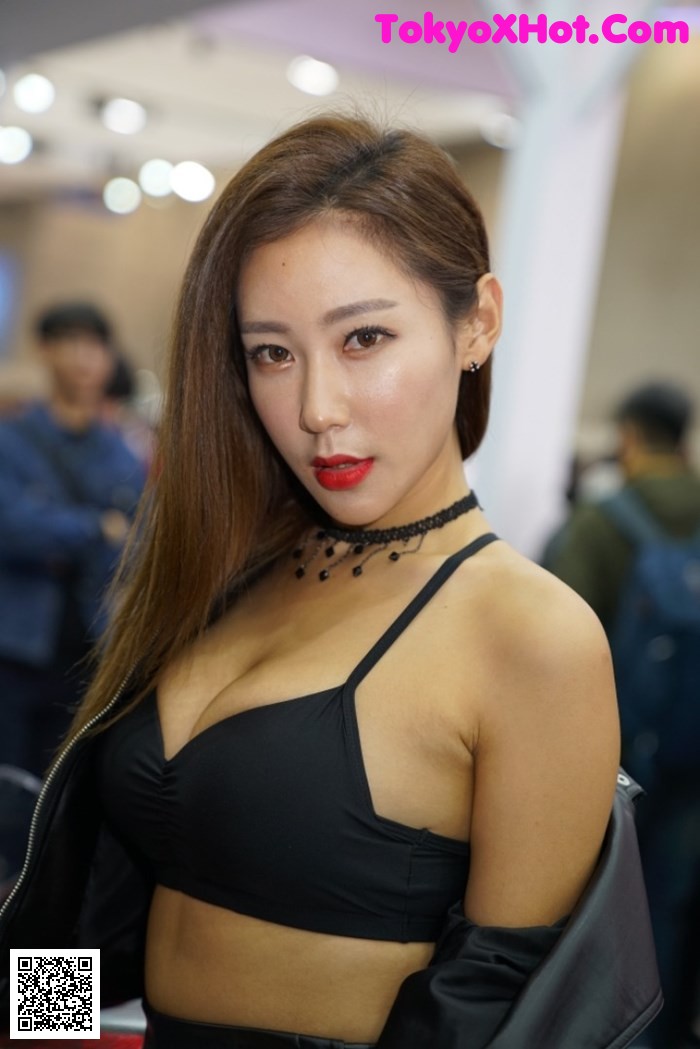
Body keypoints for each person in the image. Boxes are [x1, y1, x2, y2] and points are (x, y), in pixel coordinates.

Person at [0, 115, 660, 1048]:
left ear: (477, 322)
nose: (316, 408)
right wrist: (34, 1025)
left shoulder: (531, 635)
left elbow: (500, 1000)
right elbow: (117, 904)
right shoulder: (228, 569)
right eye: (272, 352)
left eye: (364, 338)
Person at [547, 381, 700, 1049]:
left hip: (613, 764)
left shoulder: (600, 523)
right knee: (676, 908)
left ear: (630, 437)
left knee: (606, 918)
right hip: (693, 763)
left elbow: (551, 650)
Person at [0, 302, 146, 776]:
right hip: (15, 644)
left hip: (88, 646)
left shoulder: (121, 455)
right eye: (71, 342)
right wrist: (95, 528)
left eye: (97, 345)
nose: (85, 357)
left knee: (58, 787)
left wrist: (80, 532)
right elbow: (13, 527)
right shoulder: (12, 440)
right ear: (45, 350)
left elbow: (136, 546)